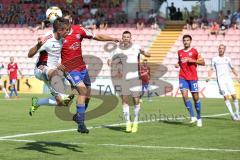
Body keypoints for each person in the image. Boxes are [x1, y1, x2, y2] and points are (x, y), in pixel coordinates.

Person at [59, 11, 121, 134]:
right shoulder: (59, 35)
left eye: (68, 20)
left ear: (71, 20)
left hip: (82, 67)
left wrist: (113, 38)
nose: (66, 22)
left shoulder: (79, 30)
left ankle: (78, 116)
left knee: (87, 95)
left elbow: (97, 36)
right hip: (70, 68)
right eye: (63, 20)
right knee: (82, 91)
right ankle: (81, 124)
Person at [28, 18, 74, 116]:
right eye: (66, 30)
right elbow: (29, 54)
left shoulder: (62, 39)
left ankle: (37, 102)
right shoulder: (47, 39)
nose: (68, 32)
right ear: (59, 30)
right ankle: (60, 94)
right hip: (41, 69)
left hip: (52, 72)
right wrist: (38, 45)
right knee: (54, 73)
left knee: (62, 103)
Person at [108, 31, 150, 133]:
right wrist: (110, 62)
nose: (126, 38)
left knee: (136, 100)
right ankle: (127, 123)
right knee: (125, 100)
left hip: (135, 78)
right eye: (124, 37)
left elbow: (148, 54)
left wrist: (145, 52)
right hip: (123, 78)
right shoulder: (117, 48)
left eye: (128, 37)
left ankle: (135, 121)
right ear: (122, 38)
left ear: (130, 38)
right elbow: (110, 60)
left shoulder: (136, 47)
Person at [175, 34, 205, 127]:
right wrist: (177, 64)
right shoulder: (179, 52)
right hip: (182, 77)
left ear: (190, 41)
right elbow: (180, 61)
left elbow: (203, 62)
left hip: (193, 78)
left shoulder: (194, 51)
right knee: (184, 96)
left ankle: (199, 117)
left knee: (196, 98)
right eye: (184, 40)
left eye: (187, 40)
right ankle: (192, 116)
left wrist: (192, 60)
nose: (186, 42)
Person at [206, 44, 240, 120]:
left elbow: (232, 68)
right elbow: (211, 69)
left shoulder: (228, 59)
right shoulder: (214, 59)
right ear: (218, 49)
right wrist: (209, 76)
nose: (221, 50)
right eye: (220, 48)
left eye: (222, 48)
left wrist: (237, 77)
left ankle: (237, 113)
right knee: (226, 97)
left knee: (234, 96)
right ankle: (232, 115)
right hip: (220, 81)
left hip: (229, 79)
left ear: (224, 50)